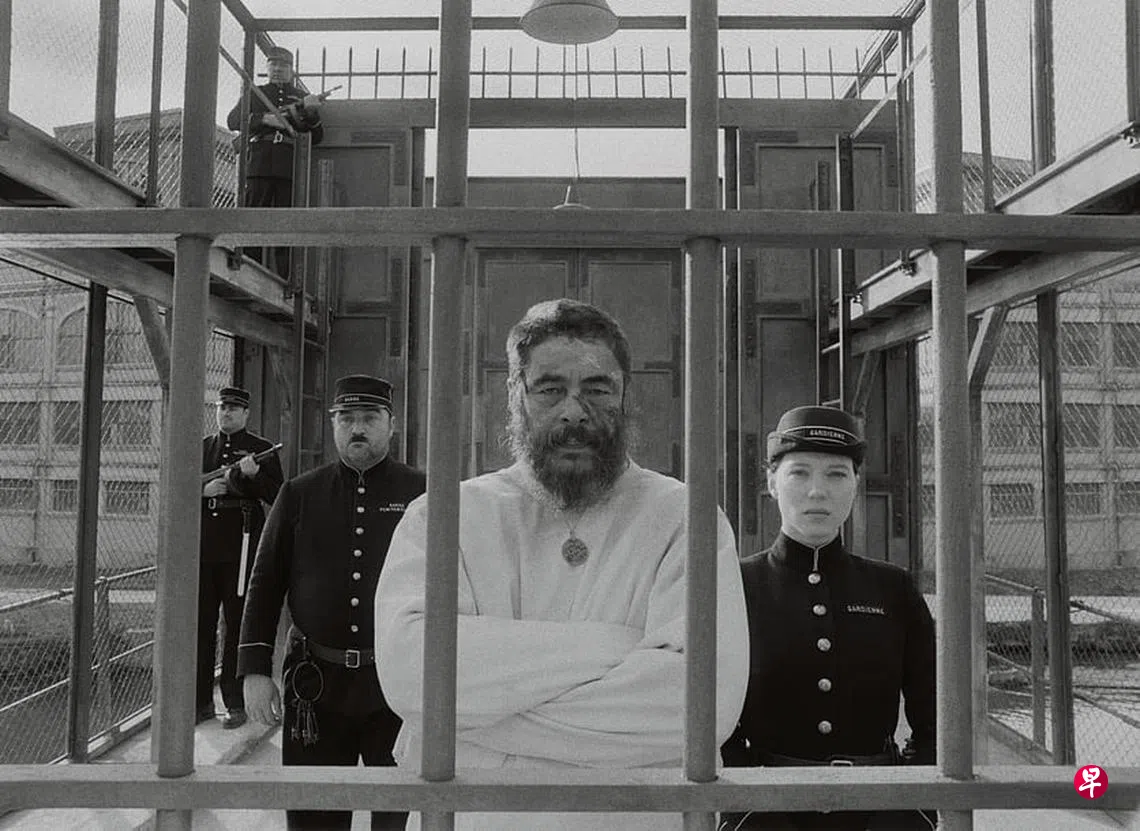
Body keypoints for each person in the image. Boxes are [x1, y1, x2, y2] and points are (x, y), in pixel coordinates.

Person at [375, 298, 750, 831]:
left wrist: (466, 724)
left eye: (597, 389)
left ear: (626, 396)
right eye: (550, 389)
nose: (574, 411)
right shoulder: (444, 516)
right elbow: (413, 677)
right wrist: (617, 646)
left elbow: (703, 706)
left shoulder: (686, 519)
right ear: (516, 396)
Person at [720, 405, 937, 831]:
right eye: (799, 473)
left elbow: (934, 717)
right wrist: (745, 805)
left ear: (856, 484)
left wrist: (911, 805)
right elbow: (712, 720)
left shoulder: (893, 588)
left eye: (837, 474)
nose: (817, 491)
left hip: (881, 810)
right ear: (772, 482)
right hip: (767, 811)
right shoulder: (736, 585)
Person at [238, 374, 425, 831]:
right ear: (333, 424)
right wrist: (255, 670)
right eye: (347, 418)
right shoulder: (299, 494)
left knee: (396, 818)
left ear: (391, 425)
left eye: (369, 417)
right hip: (316, 686)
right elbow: (265, 583)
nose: (357, 428)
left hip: (398, 688)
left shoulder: (422, 494)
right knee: (313, 815)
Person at [198, 385, 283, 729]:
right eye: (223, 408)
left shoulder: (262, 450)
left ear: (246, 413)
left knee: (236, 624)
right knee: (201, 625)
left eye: (234, 408)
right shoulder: (203, 447)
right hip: (204, 548)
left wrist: (254, 475)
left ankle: (235, 702)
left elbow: (277, 494)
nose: (227, 413)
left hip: (242, 547)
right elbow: (176, 488)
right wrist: (202, 491)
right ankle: (200, 702)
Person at [226, 45, 324, 276]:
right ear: (267, 68)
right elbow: (232, 121)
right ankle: (248, 273)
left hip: (288, 166)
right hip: (258, 163)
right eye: (274, 65)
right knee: (252, 220)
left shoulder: (301, 97)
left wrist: (311, 113)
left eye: (283, 66)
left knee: (285, 223)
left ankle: (284, 277)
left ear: (292, 71)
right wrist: (264, 119)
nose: (278, 69)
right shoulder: (256, 93)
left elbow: (318, 137)